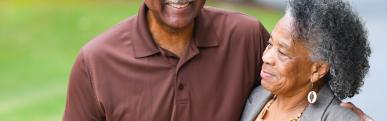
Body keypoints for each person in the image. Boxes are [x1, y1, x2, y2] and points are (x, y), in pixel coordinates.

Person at [63, 0, 369, 120]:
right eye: (269, 47)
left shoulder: (245, 37)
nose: (268, 57)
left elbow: (302, 72)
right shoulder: (96, 63)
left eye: (277, 50)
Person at [241, 0, 371, 121]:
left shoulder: (337, 118)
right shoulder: (255, 96)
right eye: (270, 44)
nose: (266, 57)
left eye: (282, 52)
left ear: (318, 69)